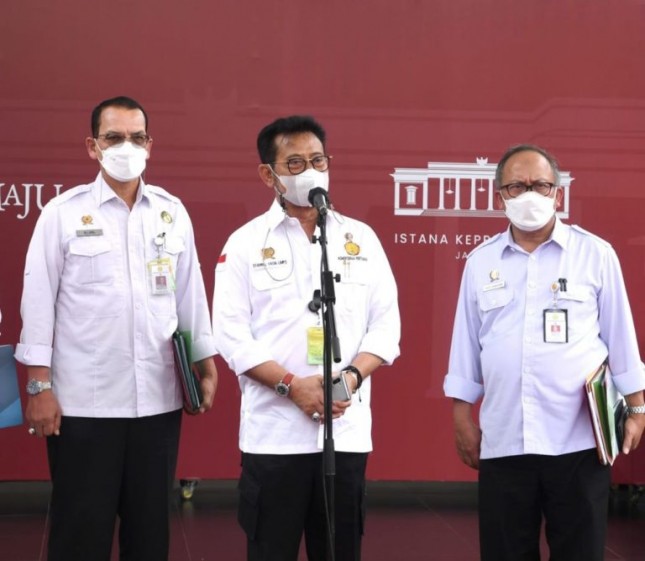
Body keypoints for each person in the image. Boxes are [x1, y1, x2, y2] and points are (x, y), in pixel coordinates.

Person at [15, 95, 218, 561]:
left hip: (157, 402)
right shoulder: (63, 213)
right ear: (93, 146)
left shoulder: (171, 211)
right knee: (79, 534)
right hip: (84, 405)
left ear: (150, 144)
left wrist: (205, 365)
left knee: (150, 537)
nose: (126, 147)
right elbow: (38, 303)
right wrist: (39, 386)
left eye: (136, 137)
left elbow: (190, 298)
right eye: (114, 138)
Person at [211, 115, 400, 561]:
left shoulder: (360, 239)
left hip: (346, 430)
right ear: (268, 174)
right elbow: (230, 332)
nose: (310, 172)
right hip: (274, 437)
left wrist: (349, 378)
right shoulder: (245, 243)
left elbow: (386, 326)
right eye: (294, 163)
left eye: (318, 160)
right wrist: (291, 386)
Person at [444, 144, 645, 561]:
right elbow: (465, 343)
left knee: (580, 552)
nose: (529, 195)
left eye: (540, 185)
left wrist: (638, 407)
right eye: (517, 186)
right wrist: (462, 414)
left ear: (558, 193)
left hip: (578, 441)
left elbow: (621, 335)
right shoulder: (481, 262)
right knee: (505, 552)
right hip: (504, 439)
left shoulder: (595, 254)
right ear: (500, 196)